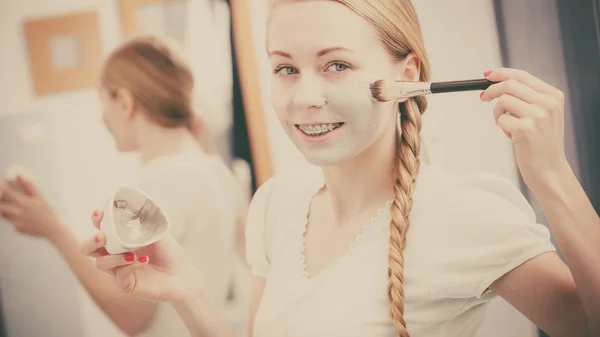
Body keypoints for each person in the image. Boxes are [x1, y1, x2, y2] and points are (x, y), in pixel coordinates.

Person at [30, 1, 600, 337]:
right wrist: (186, 290)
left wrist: (552, 175)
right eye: (285, 69)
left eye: (336, 65)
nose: (305, 98)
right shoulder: (276, 205)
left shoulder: (465, 213)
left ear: (410, 74)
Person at [0, 36, 248, 337]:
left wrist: (53, 229)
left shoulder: (163, 182)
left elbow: (132, 316)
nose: (103, 115)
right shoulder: (213, 168)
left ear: (124, 102)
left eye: (103, 100)